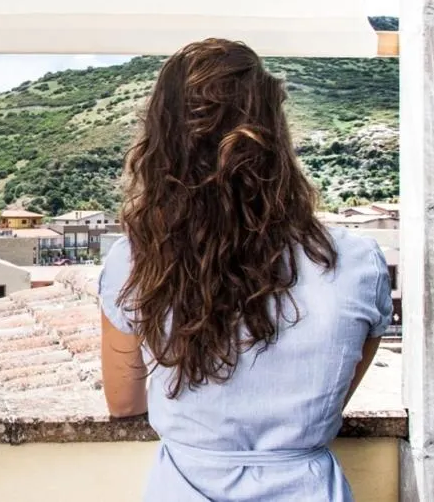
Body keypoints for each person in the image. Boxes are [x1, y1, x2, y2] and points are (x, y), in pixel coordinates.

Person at [99, 38, 393, 501]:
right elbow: (333, 397)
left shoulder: (137, 260)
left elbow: (124, 401)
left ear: (161, 143)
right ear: (276, 135)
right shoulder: (356, 263)